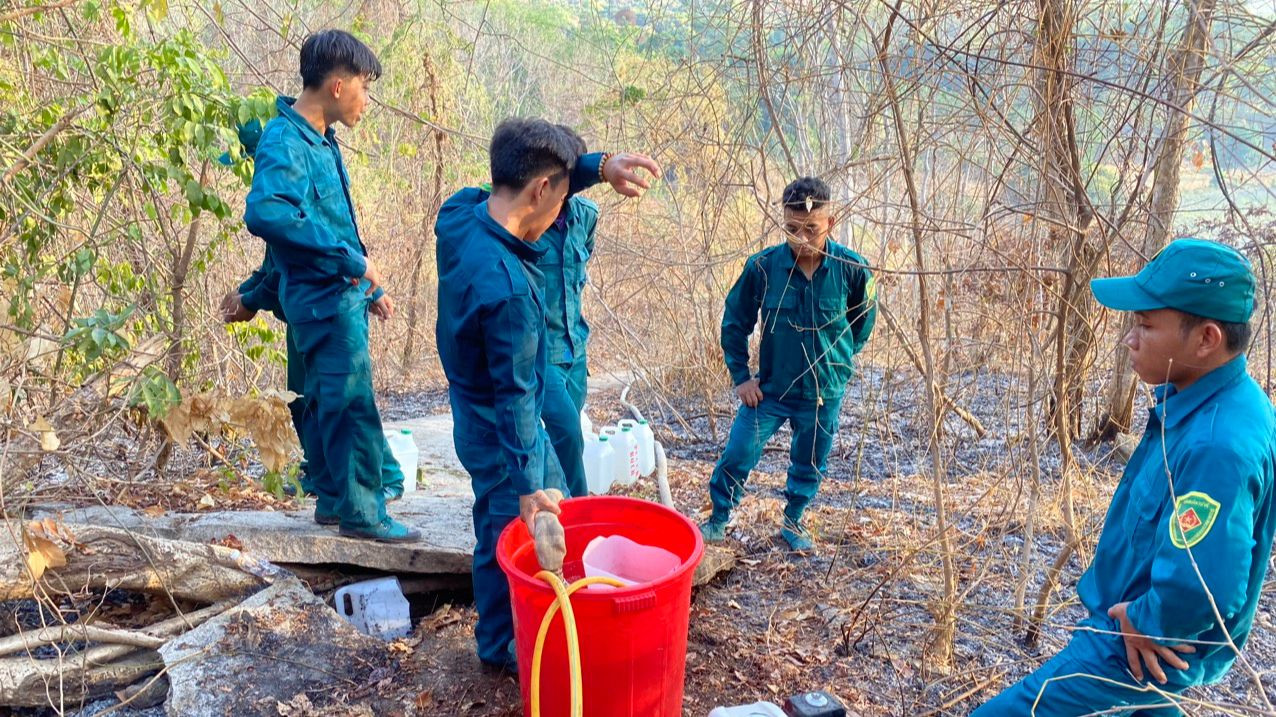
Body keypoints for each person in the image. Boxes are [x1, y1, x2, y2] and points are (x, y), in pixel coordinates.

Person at [972, 238, 1276, 715]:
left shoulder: (1218, 441)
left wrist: (1145, 620)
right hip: (1139, 630)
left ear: (1206, 339)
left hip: (1138, 645)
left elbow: (1205, 584)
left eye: (1145, 324)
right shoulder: (1200, 401)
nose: (1130, 339)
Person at [243, 29, 419, 542]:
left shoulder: (322, 142)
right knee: (350, 403)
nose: (368, 99)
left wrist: (369, 283)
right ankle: (365, 515)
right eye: (365, 86)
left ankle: (336, 502)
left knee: (324, 401)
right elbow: (269, 215)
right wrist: (351, 261)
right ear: (338, 85)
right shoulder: (284, 140)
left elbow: (332, 225)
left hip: (340, 296)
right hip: (321, 303)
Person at [220, 118, 407, 503]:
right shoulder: (285, 187)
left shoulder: (290, 180)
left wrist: (249, 302)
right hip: (304, 315)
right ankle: (325, 478)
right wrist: (245, 292)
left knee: (344, 401)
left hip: (327, 311)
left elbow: (311, 257)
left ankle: (382, 480)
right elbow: (275, 265)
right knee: (311, 401)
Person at [469, 126, 660, 499]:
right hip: (540, 349)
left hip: (575, 348)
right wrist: (600, 167)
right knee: (567, 430)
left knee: (565, 436)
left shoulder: (585, 216)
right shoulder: (519, 218)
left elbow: (579, 272)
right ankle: (577, 508)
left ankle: (546, 495)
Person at [699, 176, 876, 552]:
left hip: (823, 393)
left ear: (831, 221)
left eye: (811, 229)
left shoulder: (853, 269)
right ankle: (717, 519)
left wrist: (839, 362)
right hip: (772, 390)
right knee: (739, 451)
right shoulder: (763, 268)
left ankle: (794, 520)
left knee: (810, 461)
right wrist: (742, 377)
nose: (801, 238)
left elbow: (862, 322)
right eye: (792, 229)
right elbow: (735, 322)